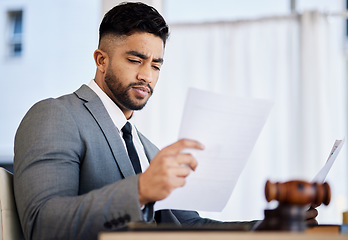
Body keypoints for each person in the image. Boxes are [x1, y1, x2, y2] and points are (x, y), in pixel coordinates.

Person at [13, 2, 317, 240]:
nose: (147, 75)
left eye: (156, 65)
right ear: (101, 60)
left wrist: (268, 227)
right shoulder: (55, 115)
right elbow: (42, 225)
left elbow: (189, 227)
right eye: (135, 60)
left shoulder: (149, 150)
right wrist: (140, 190)